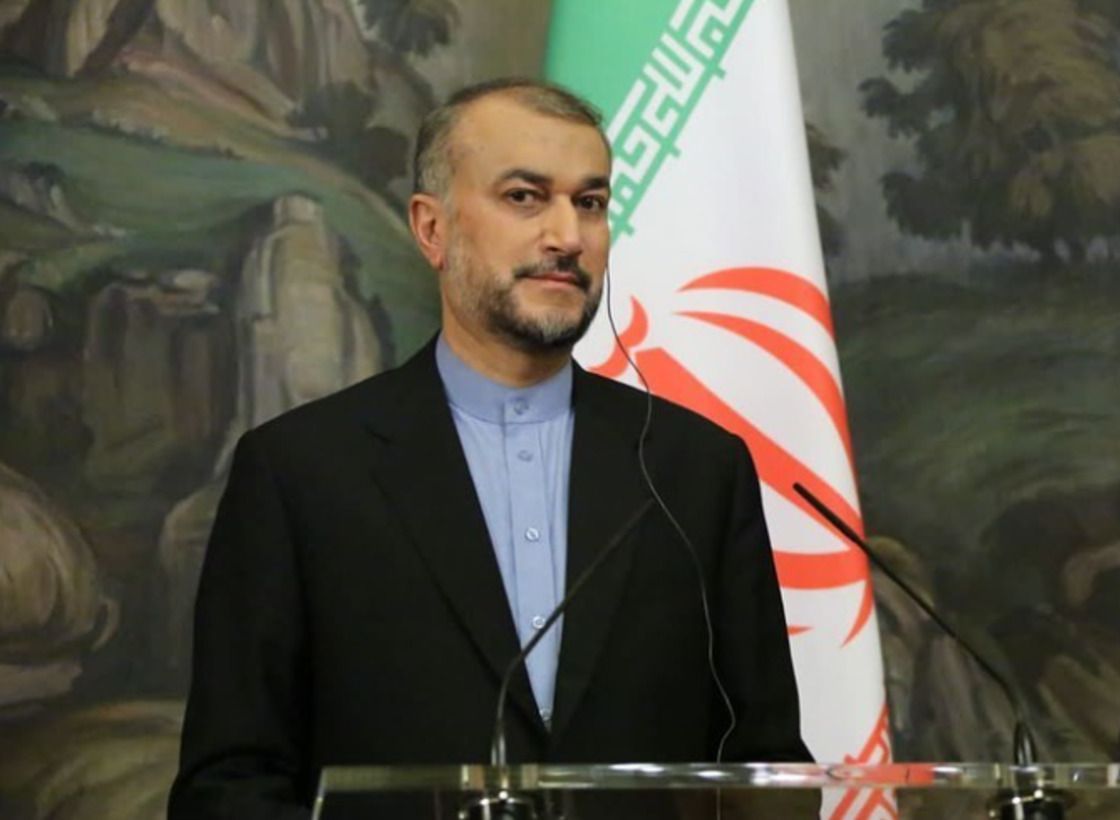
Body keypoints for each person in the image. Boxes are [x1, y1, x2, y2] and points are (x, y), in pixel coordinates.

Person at [168, 78, 810, 820]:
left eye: (590, 202)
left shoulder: (695, 468)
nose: (568, 236)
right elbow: (229, 789)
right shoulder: (299, 473)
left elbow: (767, 768)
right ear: (431, 229)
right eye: (524, 197)